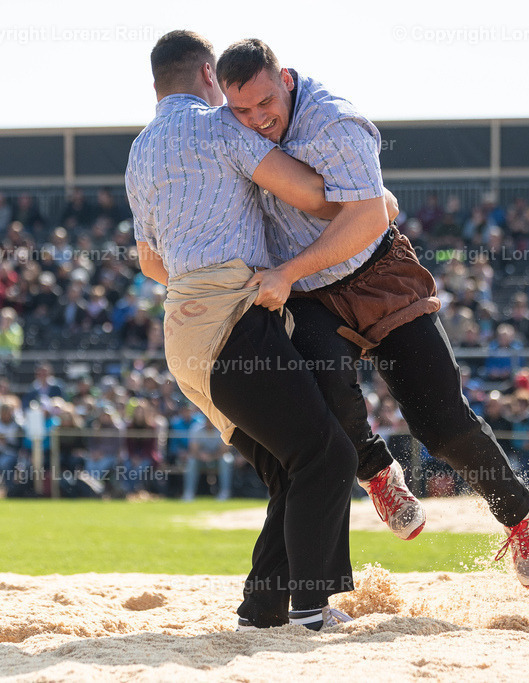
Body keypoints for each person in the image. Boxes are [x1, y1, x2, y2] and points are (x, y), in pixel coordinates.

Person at [217, 38, 529, 589]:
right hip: (310, 292)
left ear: (285, 77)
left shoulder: (337, 122)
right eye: (242, 110)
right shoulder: (230, 124)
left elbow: (371, 219)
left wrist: (288, 272)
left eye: (264, 104)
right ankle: (377, 472)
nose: (256, 120)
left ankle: (518, 518)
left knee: (440, 420)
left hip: (375, 273)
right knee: (324, 396)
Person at [127, 31, 387, 631]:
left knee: (285, 467)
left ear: (157, 83)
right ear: (209, 74)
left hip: (183, 334)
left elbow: (148, 261)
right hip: (232, 322)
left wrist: (201, 286)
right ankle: (313, 610)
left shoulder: (140, 149)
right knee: (327, 456)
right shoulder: (221, 127)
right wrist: (373, 200)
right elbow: (318, 197)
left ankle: (261, 611)